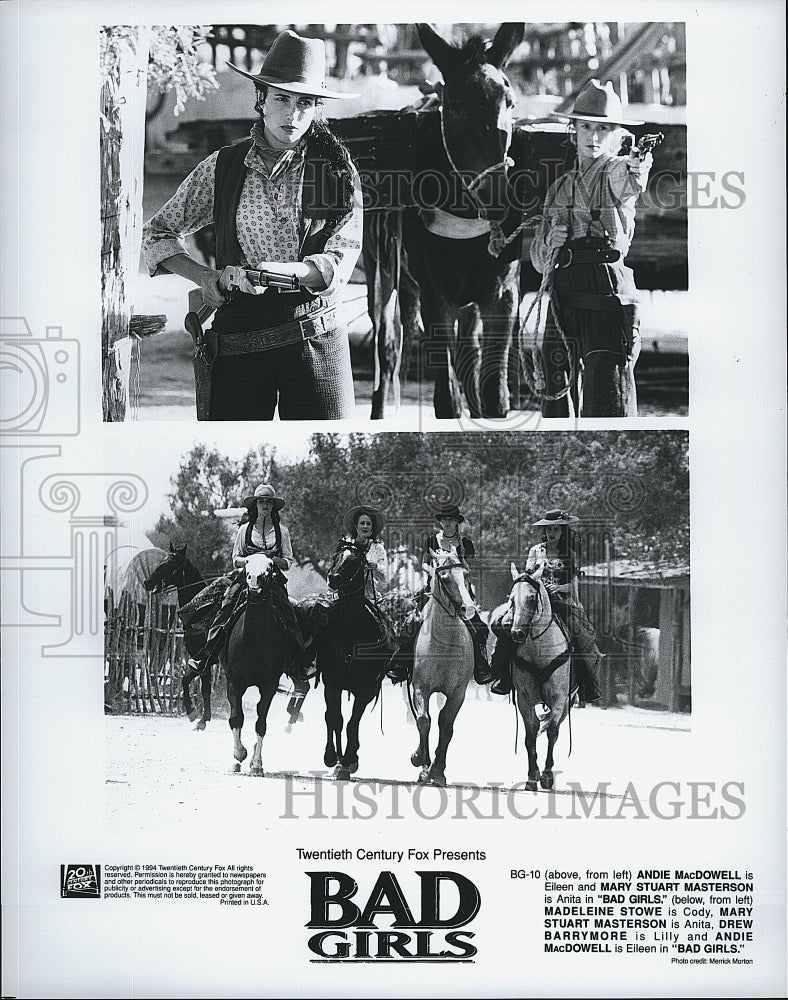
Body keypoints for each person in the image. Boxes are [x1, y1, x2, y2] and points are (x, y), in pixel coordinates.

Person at [142, 29, 362, 420]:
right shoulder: (223, 166)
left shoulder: (335, 172)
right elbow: (157, 232)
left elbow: (340, 258)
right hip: (238, 339)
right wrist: (204, 278)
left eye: (305, 103)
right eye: (282, 99)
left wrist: (287, 273)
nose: (292, 115)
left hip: (314, 335)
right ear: (261, 98)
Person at [530, 80, 653, 418]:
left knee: (605, 396)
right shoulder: (559, 187)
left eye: (603, 128)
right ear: (574, 131)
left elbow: (629, 180)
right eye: (586, 127)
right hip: (564, 296)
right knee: (554, 392)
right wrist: (549, 244)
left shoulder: (615, 170)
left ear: (617, 135)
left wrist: (638, 165)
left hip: (604, 293)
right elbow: (539, 263)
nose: (594, 136)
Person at [185, 484, 313, 683]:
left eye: (269, 502)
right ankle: (207, 654)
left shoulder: (282, 532)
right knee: (225, 608)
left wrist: (271, 560)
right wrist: (250, 561)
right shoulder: (245, 530)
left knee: (289, 614)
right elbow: (235, 558)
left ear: (273, 506)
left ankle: (300, 662)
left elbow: (288, 561)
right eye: (261, 501)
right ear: (256, 505)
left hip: (271, 580)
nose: (265, 505)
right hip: (246, 578)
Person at [490, 509, 602, 702]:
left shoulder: (570, 555)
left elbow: (573, 586)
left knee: (582, 638)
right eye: (549, 529)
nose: (552, 533)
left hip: (561, 602)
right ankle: (502, 677)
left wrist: (558, 586)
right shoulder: (535, 551)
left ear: (562, 531)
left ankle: (587, 684)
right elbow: (527, 578)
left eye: (556, 530)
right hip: (535, 602)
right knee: (505, 628)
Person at [387, 505, 493, 685]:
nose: (448, 523)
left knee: (479, 628)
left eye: (451, 520)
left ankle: (481, 665)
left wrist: (456, 564)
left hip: (459, 591)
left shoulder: (466, 543)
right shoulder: (431, 541)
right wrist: (438, 571)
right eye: (445, 520)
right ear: (441, 522)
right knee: (412, 623)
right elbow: (424, 565)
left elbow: (468, 569)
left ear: (457, 522)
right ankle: (401, 664)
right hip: (434, 589)